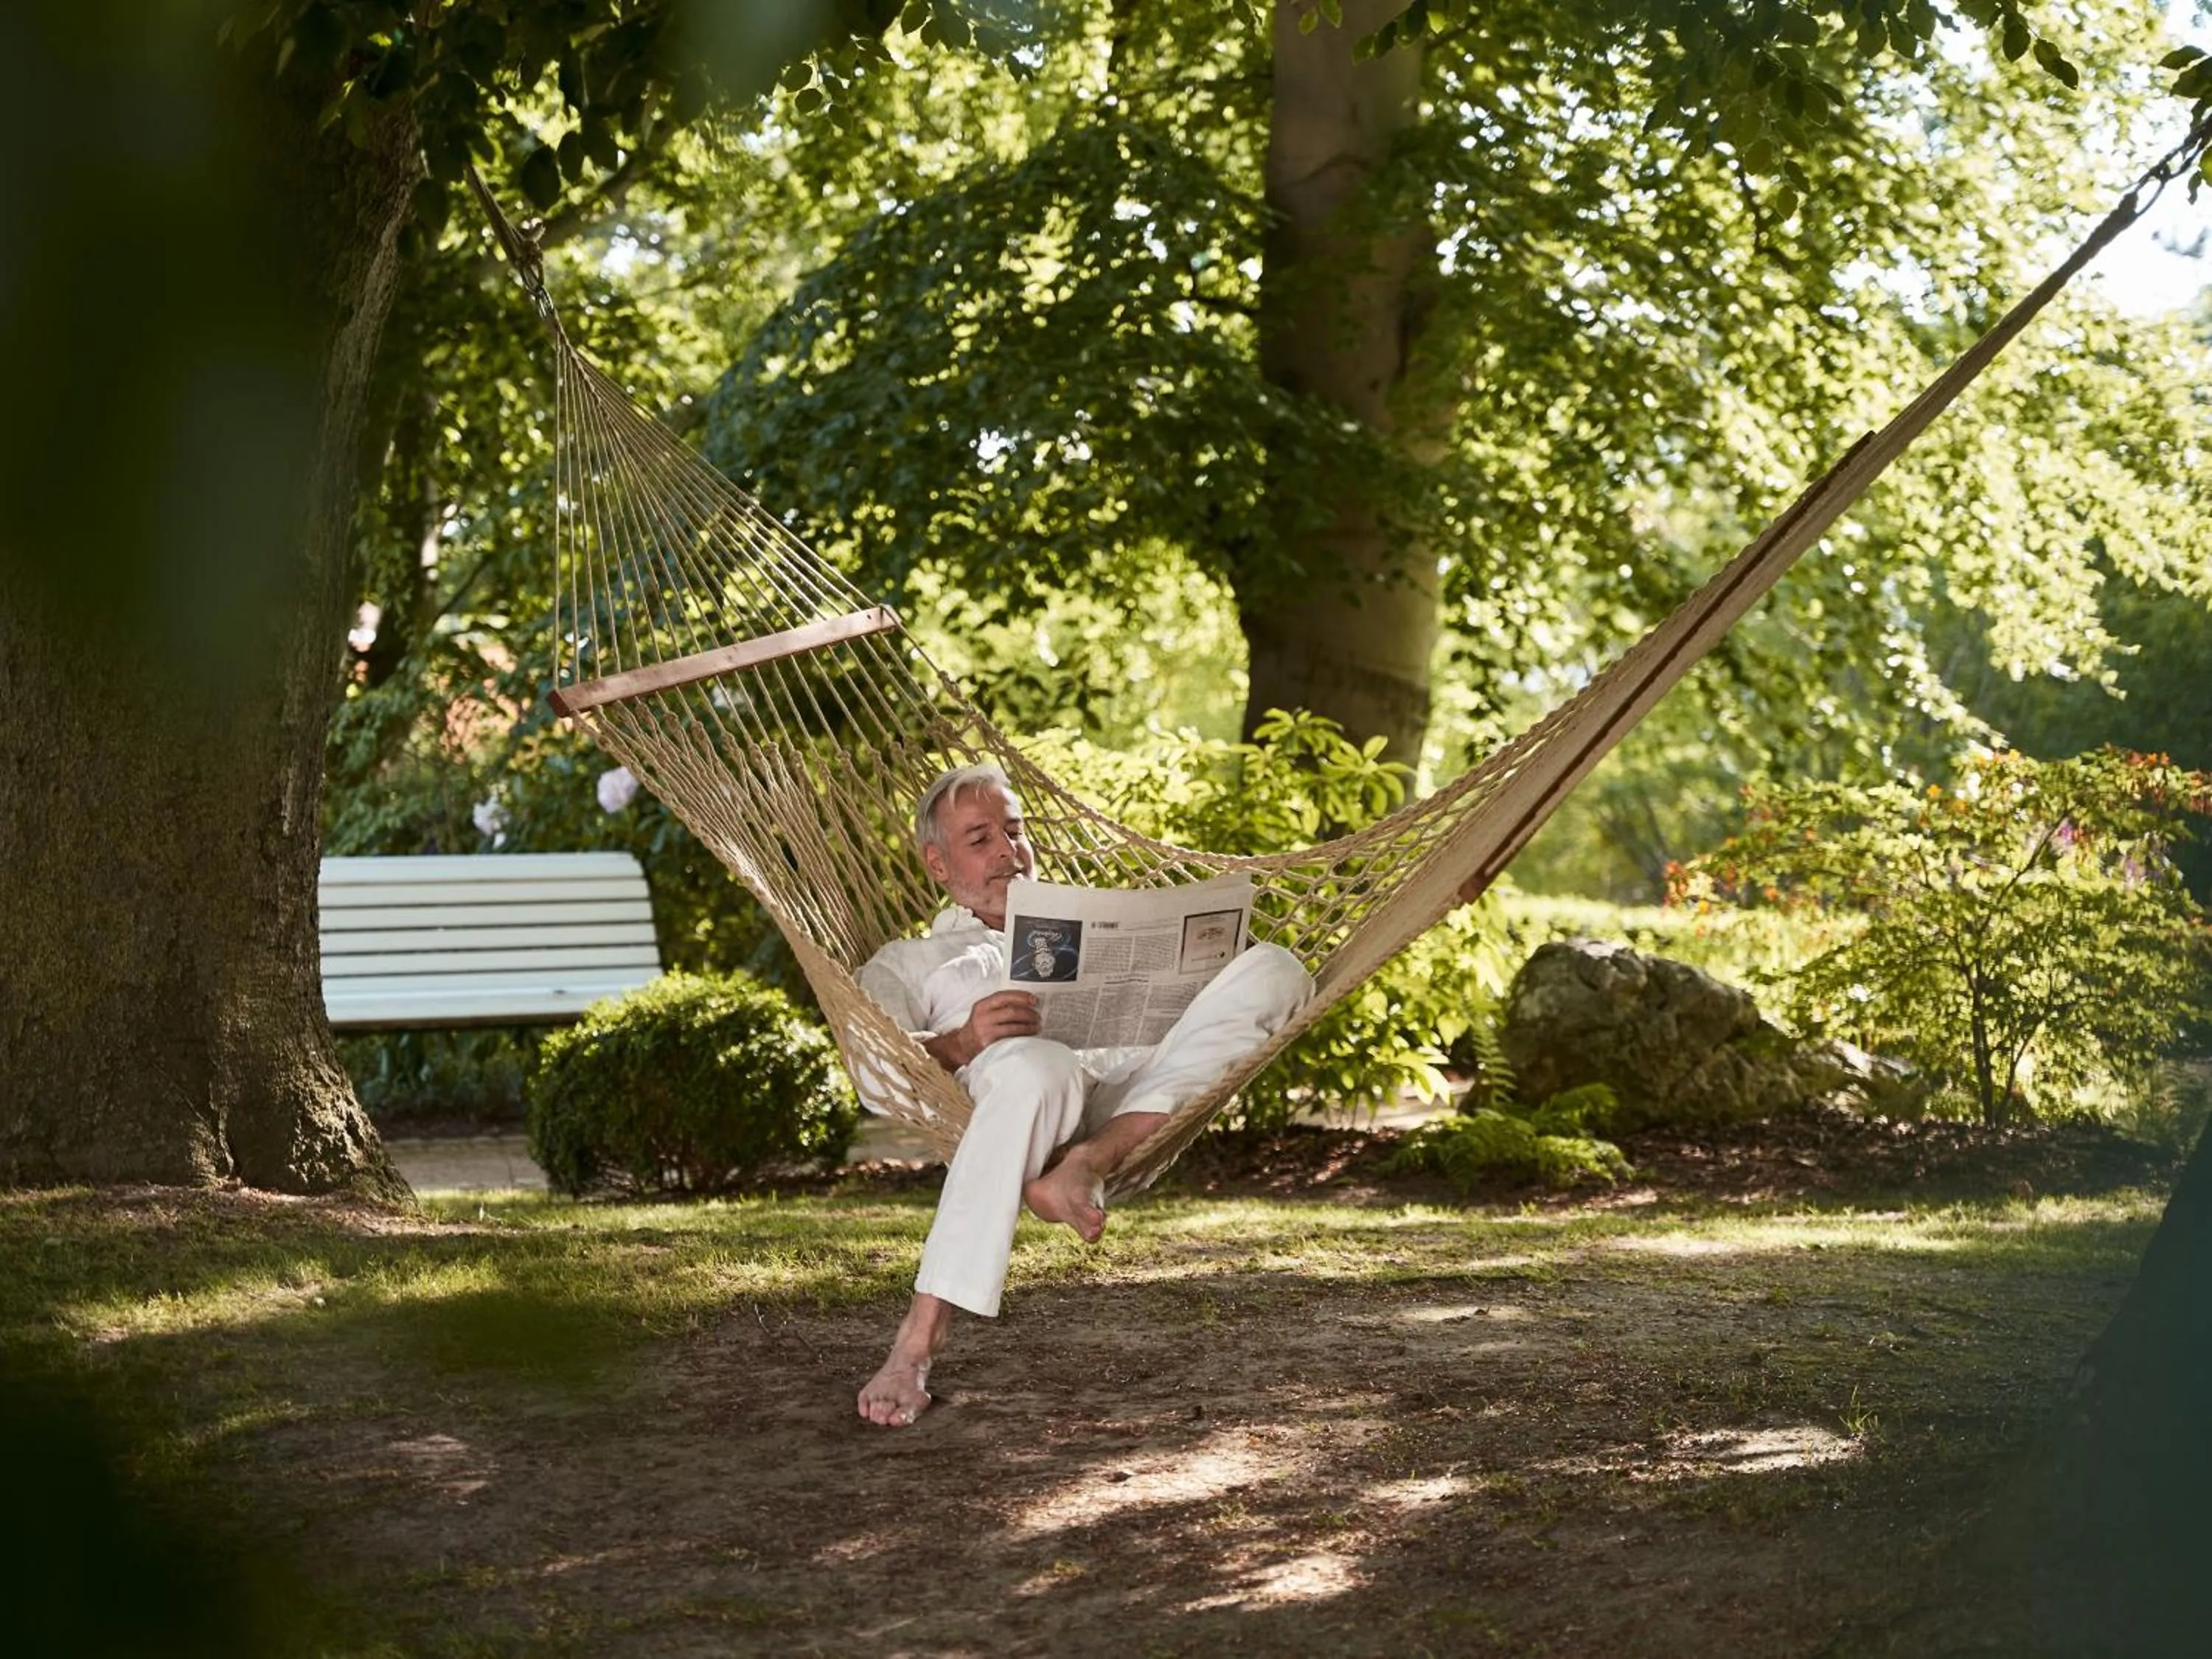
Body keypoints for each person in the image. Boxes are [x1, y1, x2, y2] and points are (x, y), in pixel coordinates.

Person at [852, 762, 1313, 1427]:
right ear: (938, 863)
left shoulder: (1093, 923)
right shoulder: (910, 961)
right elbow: (874, 1073)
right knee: (1037, 1065)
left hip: (1136, 1098)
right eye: (981, 839)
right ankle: (918, 1341)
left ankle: (1087, 1164)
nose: (1008, 852)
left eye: (1015, 833)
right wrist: (959, 1043)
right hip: (1017, 1101)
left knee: (1277, 970)